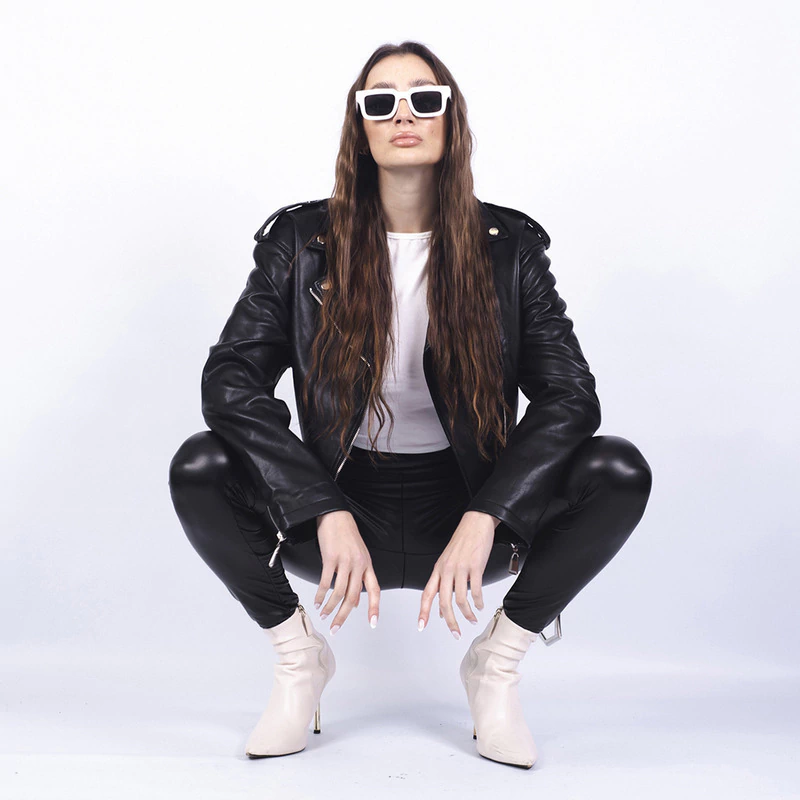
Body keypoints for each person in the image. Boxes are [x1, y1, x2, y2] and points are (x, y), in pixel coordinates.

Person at [168, 41, 652, 769]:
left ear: (450, 121)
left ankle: (496, 664)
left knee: (617, 470)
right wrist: (317, 504)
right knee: (199, 465)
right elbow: (230, 379)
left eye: (425, 99)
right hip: (337, 510)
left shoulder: (509, 247)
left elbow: (569, 395)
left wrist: (491, 511)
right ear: (358, 125)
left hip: (467, 512)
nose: (403, 114)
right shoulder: (300, 244)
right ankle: (299, 659)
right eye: (381, 101)